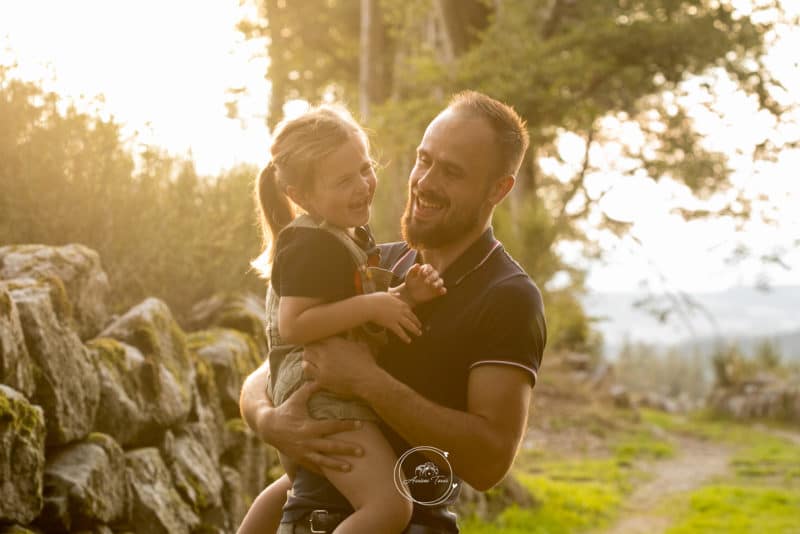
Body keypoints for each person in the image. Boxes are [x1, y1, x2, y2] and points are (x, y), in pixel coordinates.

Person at [240, 91, 547, 534]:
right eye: (424, 160)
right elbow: (276, 362)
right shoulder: (372, 261)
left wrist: (367, 380)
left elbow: (489, 461)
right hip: (302, 518)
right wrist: (270, 421)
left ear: (498, 189)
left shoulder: (507, 296)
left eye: (452, 172)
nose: (424, 181)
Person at [240, 105, 448, 534]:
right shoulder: (310, 244)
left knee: (295, 488)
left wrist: (403, 295)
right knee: (390, 508)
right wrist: (374, 306)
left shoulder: (338, 235)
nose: (362, 186)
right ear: (301, 195)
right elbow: (295, 324)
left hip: (311, 393)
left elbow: (338, 316)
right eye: (342, 181)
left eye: (364, 168)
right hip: (318, 395)